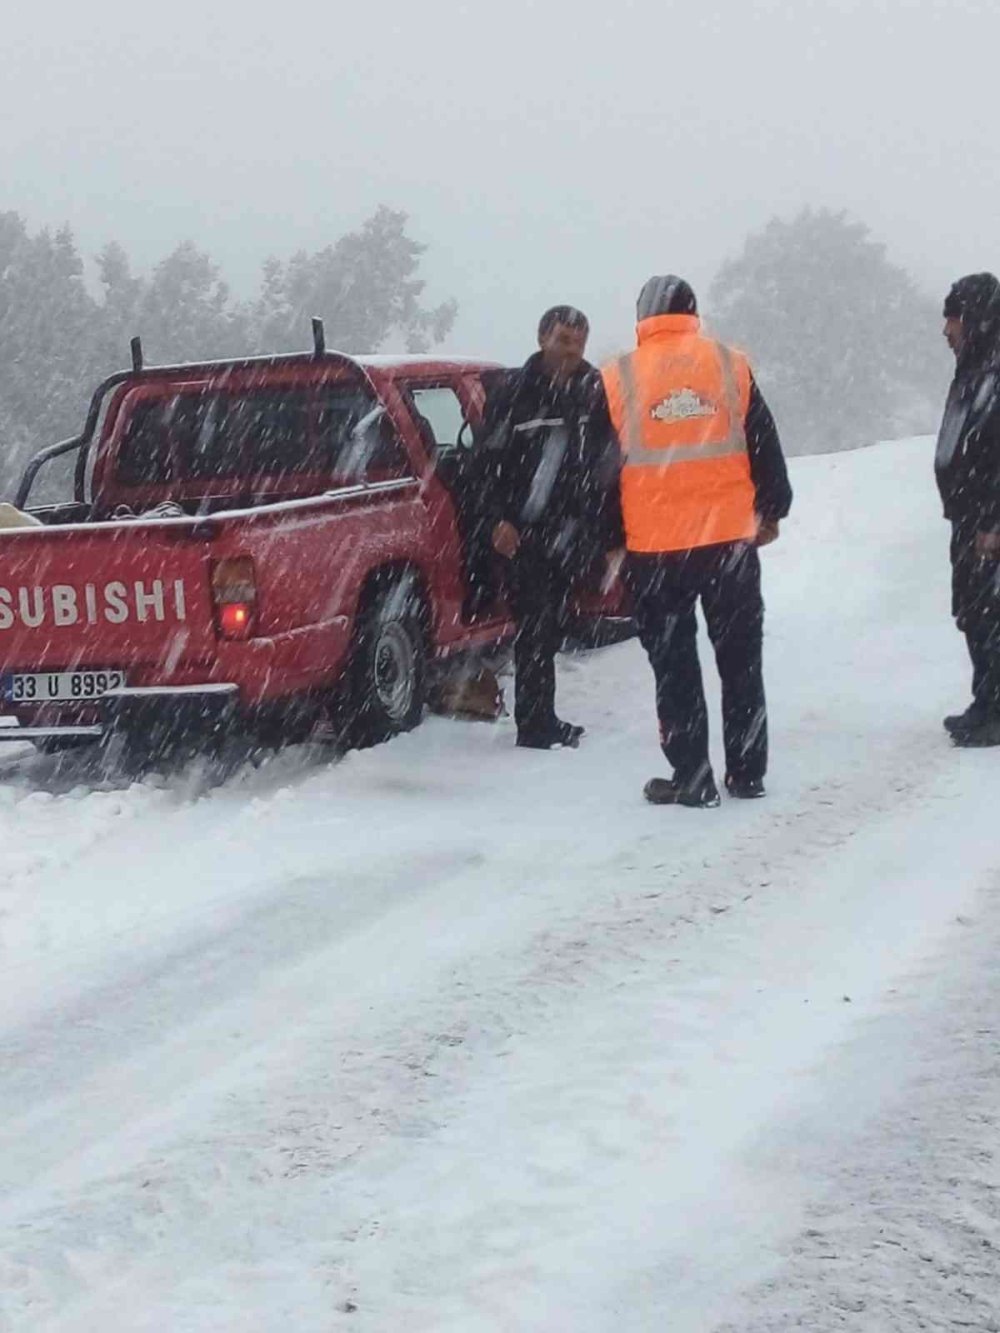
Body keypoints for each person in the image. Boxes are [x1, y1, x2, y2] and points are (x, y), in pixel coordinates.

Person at [602, 275, 792, 807]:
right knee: (740, 660)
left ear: (642, 316)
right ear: (693, 312)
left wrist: (609, 537)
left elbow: (597, 472)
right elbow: (764, 442)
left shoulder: (617, 376)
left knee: (675, 666)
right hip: (729, 541)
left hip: (655, 550)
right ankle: (747, 773)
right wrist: (773, 509)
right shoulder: (730, 364)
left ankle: (692, 777)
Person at [478, 305, 623, 749]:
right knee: (535, 628)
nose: (571, 350)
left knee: (554, 625)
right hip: (524, 532)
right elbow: (487, 463)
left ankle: (545, 716)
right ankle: (534, 725)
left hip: (573, 531)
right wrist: (496, 519)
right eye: (563, 340)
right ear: (542, 338)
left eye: (578, 342)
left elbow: (608, 461)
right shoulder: (512, 392)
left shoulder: (594, 389)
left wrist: (610, 532)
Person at [935, 272, 1000, 747]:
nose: (945, 329)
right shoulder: (974, 368)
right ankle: (986, 700)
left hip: (988, 522)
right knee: (973, 612)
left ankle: (996, 709)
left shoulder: (994, 371)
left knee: (991, 612)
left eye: (952, 317)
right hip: (968, 517)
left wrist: (993, 520)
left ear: (973, 318)